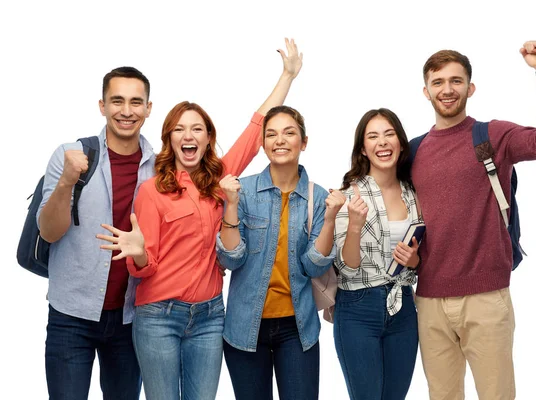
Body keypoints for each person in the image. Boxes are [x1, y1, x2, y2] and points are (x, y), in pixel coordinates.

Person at [96, 39, 303, 400]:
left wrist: (287, 76)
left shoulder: (218, 181)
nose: (188, 135)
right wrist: (139, 253)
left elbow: (255, 133)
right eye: (179, 129)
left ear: (208, 139)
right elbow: (143, 269)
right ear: (169, 140)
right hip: (159, 317)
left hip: (209, 317)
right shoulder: (151, 192)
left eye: (197, 129)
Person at [411, 41, 536, 400]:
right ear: (425, 91)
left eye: (455, 81)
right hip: (429, 301)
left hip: (485, 296)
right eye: (438, 82)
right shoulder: (414, 150)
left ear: (470, 87)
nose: (447, 89)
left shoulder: (492, 135)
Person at [37, 66, 153, 399]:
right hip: (71, 315)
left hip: (132, 318)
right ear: (102, 106)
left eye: (135, 102)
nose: (126, 111)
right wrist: (67, 182)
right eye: (117, 101)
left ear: (148, 108)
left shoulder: (159, 168)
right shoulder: (71, 155)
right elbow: (48, 232)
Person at [215, 105, 345, 400]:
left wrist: (330, 219)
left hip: (297, 329)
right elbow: (230, 259)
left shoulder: (319, 196)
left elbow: (313, 267)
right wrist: (231, 205)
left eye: (289, 132)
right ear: (262, 144)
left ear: (304, 141)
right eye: (271, 134)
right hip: (245, 327)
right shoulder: (242, 191)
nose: (280, 140)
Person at [331, 108, 421, 400]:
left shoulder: (413, 193)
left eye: (389, 134)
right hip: (358, 308)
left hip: (404, 307)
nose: (382, 142)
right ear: (363, 150)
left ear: (401, 143)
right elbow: (348, 267)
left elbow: (423, 257)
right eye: (373, 137)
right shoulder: (349, 195)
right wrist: (355, 226)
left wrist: (415, 261)